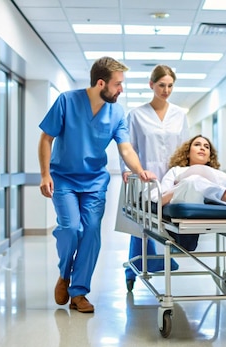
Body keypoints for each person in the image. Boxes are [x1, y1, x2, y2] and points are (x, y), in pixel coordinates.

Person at [38, 56, 156, 313]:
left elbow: (125, 148)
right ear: (101, 83)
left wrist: (139, 170)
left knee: (91, 232)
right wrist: (45, 174)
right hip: (64, 178)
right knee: (70, 228)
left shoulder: (116, 112)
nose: (121, 89)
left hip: (94, 182)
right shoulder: (66, 102)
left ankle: (79, 293)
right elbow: (46, 138)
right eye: (118, 84)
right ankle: (64, 273)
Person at [117, 64, 190, 292]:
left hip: (172, 179)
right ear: (151, 85)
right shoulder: (136, 115)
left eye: (170, 86)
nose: (166, 90)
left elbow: (185, 148)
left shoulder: (180, 115)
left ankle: (163, 265)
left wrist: (185, 174)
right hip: (145, 177)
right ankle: (133, 271)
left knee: (166, 226)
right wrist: (128, 171)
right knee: (141, 227)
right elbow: (128, 147)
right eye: (161, 85)